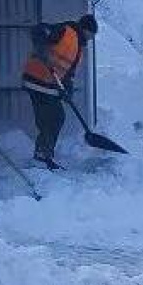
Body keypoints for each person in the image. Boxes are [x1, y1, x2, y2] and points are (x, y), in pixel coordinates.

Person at [22, 14, 98, 170]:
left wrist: (67, 90)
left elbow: (68, 73)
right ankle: (42, 156)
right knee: (53, 118)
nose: (91, 39)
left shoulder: (78, 47)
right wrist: (42, 48)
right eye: (91, 35)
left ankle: (44, 154)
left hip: (48, 85)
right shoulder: (65, 30)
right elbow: (39, 30)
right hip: (37, 80)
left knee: (56, 118)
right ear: (85, 29)